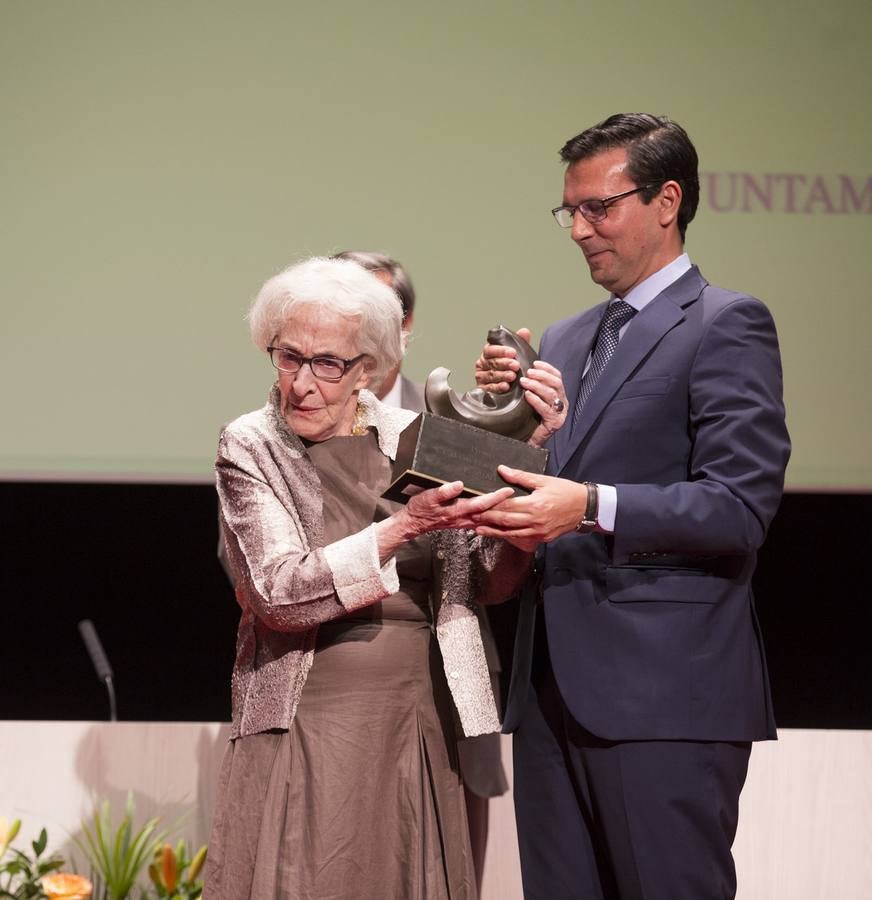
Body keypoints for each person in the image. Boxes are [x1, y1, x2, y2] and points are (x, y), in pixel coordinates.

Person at [472, 114, 791, 900]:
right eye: (568, 211)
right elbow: (552, 477)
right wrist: (510, 420)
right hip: (550, 692)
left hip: (664, 696)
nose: (579, 230)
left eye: (598, 208)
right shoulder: (567, 338)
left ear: (666, 200)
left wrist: (586, 505)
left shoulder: (726, 324)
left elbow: (738, 507)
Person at [203, 256, 566, 899]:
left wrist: (525, 468)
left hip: (421, 714)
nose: (301, 383)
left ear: (368, 368)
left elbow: (484, 583)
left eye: (327, 363)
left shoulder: (416, 436)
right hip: (310, 712)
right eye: (288, 357)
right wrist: (402, 528)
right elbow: (277, 594)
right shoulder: (251, 444)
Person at [332, 249, 510, 893]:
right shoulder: (279, 429)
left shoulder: (454, 421)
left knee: (450, 869)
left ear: (406, 326)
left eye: (372, 313)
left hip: (448, 673)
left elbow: (492, 562)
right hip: (332, 681)